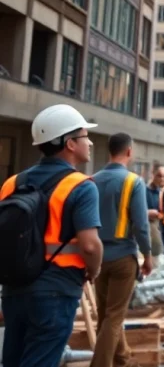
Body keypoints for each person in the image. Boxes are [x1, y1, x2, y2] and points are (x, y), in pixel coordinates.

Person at [0, 104, 103, 367]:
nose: (89, 142)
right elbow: (90, 246)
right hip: (56, 290)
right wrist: (93, 270)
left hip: (14, 288)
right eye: (84, 136)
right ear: (70, 143)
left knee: (14, 359)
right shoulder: (81, 186)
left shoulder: (12, 183)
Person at [90, 133, 153, 367]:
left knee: (106, 314)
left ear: (110, 151)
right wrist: (147, 256)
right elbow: (141, 225)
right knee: (114, 317)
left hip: (97, 258)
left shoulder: (92, 180)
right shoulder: (132, 182)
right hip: (123, 258)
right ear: (129, 151)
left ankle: (123, 360)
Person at [146, 163, 164, 257]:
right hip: (151, 227)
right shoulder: (145, 191)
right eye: (159, 176)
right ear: (153, 175)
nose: (162, 179)